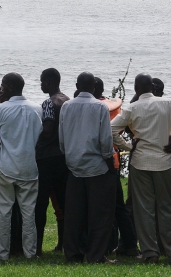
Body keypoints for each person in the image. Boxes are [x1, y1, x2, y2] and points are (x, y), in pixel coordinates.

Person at [111, 73, 171, 264]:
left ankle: (151, 253)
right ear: (152, 87)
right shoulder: (167, 103)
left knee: (144, 211)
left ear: (136, 88)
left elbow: (111, 129)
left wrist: (128, 146)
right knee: (167, 208)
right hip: (164, 162)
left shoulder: (132, 108)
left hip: (140, 162)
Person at [58, 72, 117, 263]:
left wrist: (70, 156)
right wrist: (110, 164)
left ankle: (73, 254)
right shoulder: (100, 107)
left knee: (74, 216)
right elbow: (106, 140)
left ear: (77, 85)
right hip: (97, 167)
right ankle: (95, 255)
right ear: (93, 87)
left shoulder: (67, 106)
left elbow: (62, 139)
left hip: (74, 167)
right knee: (99, 216)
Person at [0, 73, 42, 261]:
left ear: (10, 88)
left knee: (3, 211)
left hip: (5, 166)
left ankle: (2, 254)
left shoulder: (1, 109)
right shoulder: (37, 108)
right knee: (29, 212)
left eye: (3, 86)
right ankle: (30, 253)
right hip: (29, 166)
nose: (1, 89)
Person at [93, 77, 138, 256]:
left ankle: (108, 244)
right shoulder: (114, 107)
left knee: (101, 206)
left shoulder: (93, 107)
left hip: (98, 162)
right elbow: (124, 130)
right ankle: (129, 245)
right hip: (114, 161)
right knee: (118, 206)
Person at [34, 68, 69, 255]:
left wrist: (37, 142)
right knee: (63, 202)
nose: (40, 85)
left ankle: (38, 247)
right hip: (64, 158)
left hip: (47, 158)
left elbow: (47, 130)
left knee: (41, 203)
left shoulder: (49, 103)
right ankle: (63, 244)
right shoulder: (67, 101)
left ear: (48, 81)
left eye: (42, 81)